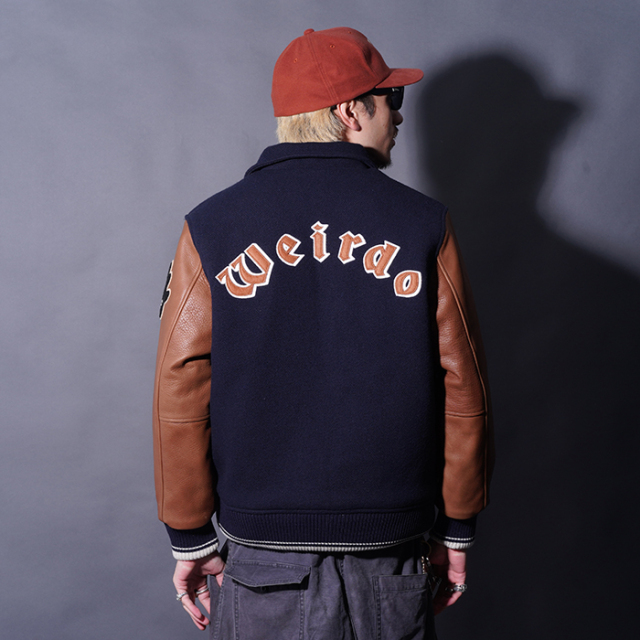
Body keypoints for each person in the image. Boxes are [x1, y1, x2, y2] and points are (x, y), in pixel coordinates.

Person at [152, 26, 493, 639]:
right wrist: (458, 527)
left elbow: (180, 386)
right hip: (391, 555)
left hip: (260, 562)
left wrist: (190, 535)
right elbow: (464, 387)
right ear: (349, 111)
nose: (398, 116)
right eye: (390, 99)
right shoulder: (424, 224)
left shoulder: (211, 225)